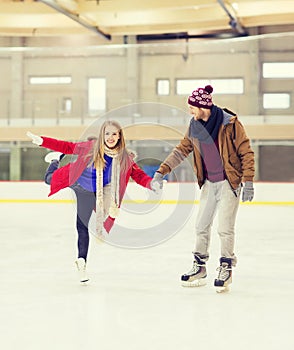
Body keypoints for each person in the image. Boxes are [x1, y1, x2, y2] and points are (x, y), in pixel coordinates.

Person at [27, 120, 160, 284]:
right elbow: (67, 147)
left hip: (93, 192)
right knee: (48, 180)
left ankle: (81, 261)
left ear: (120, 136)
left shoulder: (124, 158)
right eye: (107, 134)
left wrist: (151, 184)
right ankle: (54, 161)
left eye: (114, 134)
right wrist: (42, 141)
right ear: (102, 135)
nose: (110, 137)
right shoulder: (91, 147)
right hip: (77, 179)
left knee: (83, 226)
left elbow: (138, 175)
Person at [152, 85, 255, 292]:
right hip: (208, 182)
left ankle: (226, 267)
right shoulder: (194, 126)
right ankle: (200, 267)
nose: (190, 111)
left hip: (229, 182)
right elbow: (181, 150)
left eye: (192, 107)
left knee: (225, 229)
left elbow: (246, 152)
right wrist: (161, 171)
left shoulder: (230, 124)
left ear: (203, 106)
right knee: (201, 226)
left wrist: (249, 181)